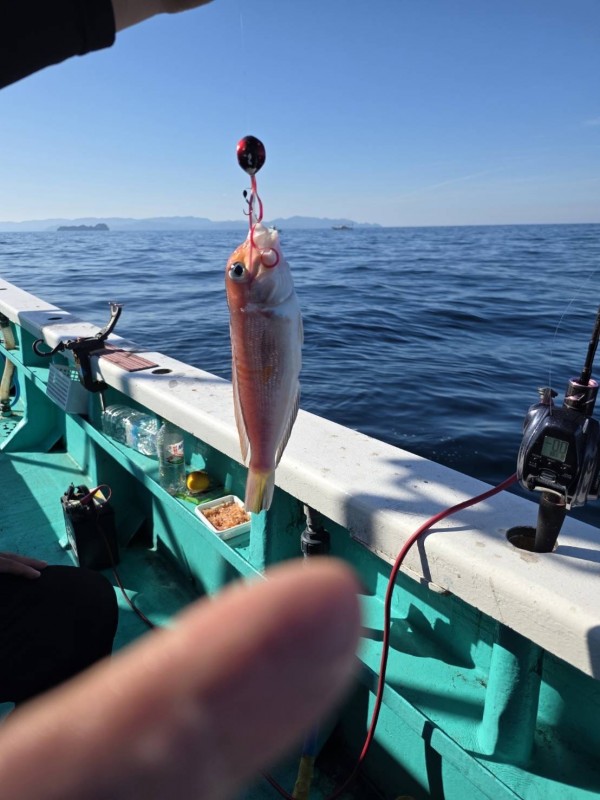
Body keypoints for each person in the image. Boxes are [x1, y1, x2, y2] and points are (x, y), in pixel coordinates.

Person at [0, 2, 362, 798]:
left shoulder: (267, 296)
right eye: (243, 270)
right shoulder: (269, 297)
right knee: (86, 608)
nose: (254, 259)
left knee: (86, 602)